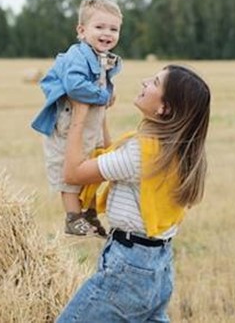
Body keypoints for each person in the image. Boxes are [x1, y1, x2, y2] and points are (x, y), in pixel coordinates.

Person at [56, 64, 211, 322]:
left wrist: (79, 115)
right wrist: (101, 114)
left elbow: (73, 173)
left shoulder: (141, 154)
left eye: (155, 83)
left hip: (129, 270)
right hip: (157, 268)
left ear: (165, 108)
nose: (144, 82)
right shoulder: (174, 151)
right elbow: (115, 157)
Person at [31, 0, 124, 237]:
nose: (107, 33)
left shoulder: (101, 58)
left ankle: (90, 213)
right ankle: (73, 216)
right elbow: (74, 86)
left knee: (92, 164)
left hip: (89, 124)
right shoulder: (77, 56)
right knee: (68, 167)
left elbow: (103, 86)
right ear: (81, 31)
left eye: (113, 29)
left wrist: (107, 97)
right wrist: (103, 97)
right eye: (100, 27)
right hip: (68, 124)